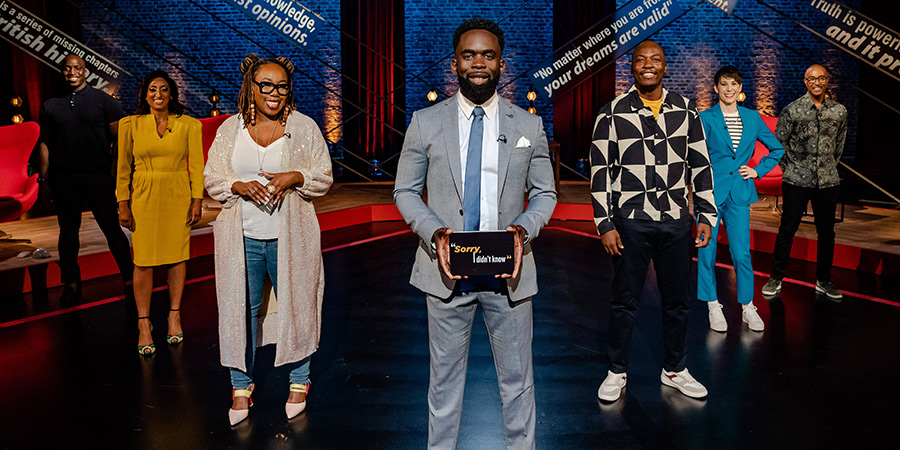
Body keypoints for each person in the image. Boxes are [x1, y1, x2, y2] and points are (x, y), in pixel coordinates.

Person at [394, 18, 556, 449]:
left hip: (509, 275)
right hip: (446, 273)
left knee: (518, 383)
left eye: (487, 55)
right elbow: (405, 192)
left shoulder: (528, 125)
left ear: (502, 64)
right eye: (469, 55)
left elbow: (546, 193)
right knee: (443, 386)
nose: (478, 63)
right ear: (455, 64)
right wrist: (436, 233)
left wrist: (523, 230)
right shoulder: (425, 122)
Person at [204, 55, 333, 426]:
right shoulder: (230, 129)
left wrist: (294, 176)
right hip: (240, 237)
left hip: (291, 235)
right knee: (239, 310)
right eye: (266, 85)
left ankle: (299, 380)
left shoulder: (304, 127)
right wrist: (236, 185)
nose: (274, 94)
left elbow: (323, 178)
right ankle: (240, 385)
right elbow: (212, 177)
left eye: (281, 86)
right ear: (250, 86)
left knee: (299, 303)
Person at [590, 40, 717, 402]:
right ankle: (617, 371)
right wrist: (605, 223)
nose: (648, 65)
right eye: (641, 60)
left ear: (665, 67)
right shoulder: (611, 112)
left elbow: (701, 165)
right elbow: (600, 172)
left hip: (677, 219)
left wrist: (706, 213)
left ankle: (675, 369)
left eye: (656, 60)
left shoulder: (685, 109)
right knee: (624, 300)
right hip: (631, 221)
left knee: (678, 301)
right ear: (632, 67)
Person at [117, 70, 204, 355]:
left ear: (172, 94)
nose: (158, 94)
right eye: (153, 89)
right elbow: (122, 170)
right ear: (145, 94)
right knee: (142, 261)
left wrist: (197, 199)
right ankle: (144, 323)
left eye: (164, 89)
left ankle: (173, 315)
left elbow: (197, 166)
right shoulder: (130, 125)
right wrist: (123, 202)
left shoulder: (189, 125)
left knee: (177, 257)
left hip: (178, 193)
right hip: (143, 194)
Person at [37, 54, 134, 303]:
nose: (72, 72)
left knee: (112, 229)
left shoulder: (103, 101)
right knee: (68, 233)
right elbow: (45, 143)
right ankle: (70, 283)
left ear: (85, 71)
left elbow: (120, 140)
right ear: (62, 71)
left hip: (97, 177)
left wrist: (114, 175)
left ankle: (129, 279)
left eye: (77, 68)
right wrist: (44, 179)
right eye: (67, 68)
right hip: (64, 179)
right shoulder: (51, 105)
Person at [697, 65, 784, 333]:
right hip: (710, 192)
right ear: (716, 88)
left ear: (740, 88)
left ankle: (748, 306)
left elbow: (777, 148)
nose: (729, 89)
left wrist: (757, 170)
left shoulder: (752, 117)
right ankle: (713, 304)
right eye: (723, 84)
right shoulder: (706, 117)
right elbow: (696, 155)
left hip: (740, 192)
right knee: (706, 251)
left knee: (742, 253)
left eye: (734, 84)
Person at [761, 64, 847, 301]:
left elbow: (839, 147)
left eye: (821, 78)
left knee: (827, 233)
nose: (817, 82)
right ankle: (776, 277)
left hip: (827, 181)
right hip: (796, 180)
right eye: (812, 78)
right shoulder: (793, 110)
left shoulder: (839, 111)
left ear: (827, 80)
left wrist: (828, 167)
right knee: (787, 230)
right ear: (805, 82)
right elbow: (778, 145)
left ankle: (824, 280)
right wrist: (791, 170)